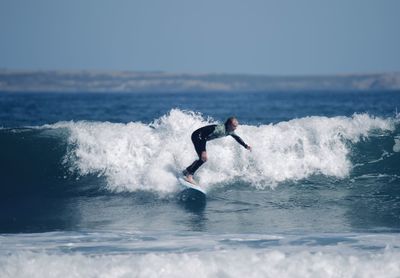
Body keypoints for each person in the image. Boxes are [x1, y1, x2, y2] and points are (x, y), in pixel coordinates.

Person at [183, 116, 252, 184]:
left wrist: (246, 146)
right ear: (228, 125)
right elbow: (203, 136)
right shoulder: (219, 129)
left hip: (199, 137)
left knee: (201, 159)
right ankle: (189, 176)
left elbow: (237, 138)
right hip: (198, 136)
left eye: (236, 126)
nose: (235, 128)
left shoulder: (229, 131)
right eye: (234, 126)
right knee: (204, 158)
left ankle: (187, 171)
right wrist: (203, 150)